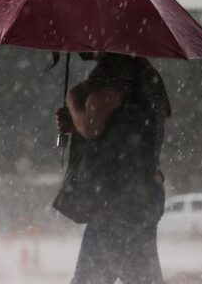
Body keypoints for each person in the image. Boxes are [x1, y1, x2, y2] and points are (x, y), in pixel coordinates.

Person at [54, 52, 171, 284]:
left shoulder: (115, 67)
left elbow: (90, 127)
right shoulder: (145, 72)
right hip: (141, 192)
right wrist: (77, 115)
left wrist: (71, 101)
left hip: (118, 198)